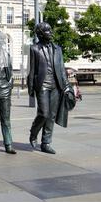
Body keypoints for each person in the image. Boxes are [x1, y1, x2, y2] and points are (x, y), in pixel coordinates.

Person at [27, 22, 74, 155]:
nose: (51, 33)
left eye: (50, 30)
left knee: (51, 115)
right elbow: (32, 70)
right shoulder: (34, 49)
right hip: (42, 85)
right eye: (48, 31)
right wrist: (31, 89)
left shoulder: (58, 49)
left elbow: (61, 68)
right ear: (41, 34)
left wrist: (66, 86)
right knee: (43, 113)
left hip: (56, 85)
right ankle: (33, 133)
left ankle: (46, 143)